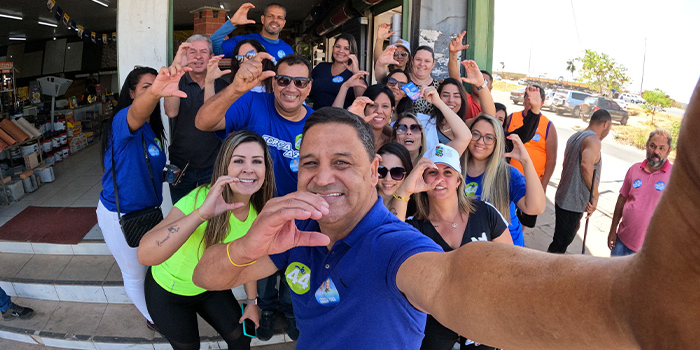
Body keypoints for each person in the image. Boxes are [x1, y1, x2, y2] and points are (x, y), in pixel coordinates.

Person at [192, 78, 700, 349]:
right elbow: (205, 275)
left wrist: (629, 305)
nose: (322, 177)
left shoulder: (393, 243)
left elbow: (457, 281)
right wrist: (249, 244)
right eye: (310, 164)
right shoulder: (295, 231)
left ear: (374, 172)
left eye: (341, 163)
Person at [195, 53, 313, 340]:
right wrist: (237, 87)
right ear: (274, 83)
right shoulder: (252, 103)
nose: (291, 88)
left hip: (297, 214)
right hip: (255, 211)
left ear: (309, 88)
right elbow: (204, 122)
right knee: (259, 270)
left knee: (294, 266)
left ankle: (291, 310)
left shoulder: (315, 123)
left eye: (300, 82)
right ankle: (265, 309)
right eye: (283, 80)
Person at [138, 131, 274, 350]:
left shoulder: (258, 213)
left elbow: (248, 259)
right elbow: (145, 254)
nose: (249, 168)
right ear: (224, 168)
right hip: (169, 291)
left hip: (210, 285)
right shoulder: (200, 199)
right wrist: (201, 214)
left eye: (256, 161)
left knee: (241, 339)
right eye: (239, 160)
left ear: (265, 171)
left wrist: (251, 302)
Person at [97, 63, 189, 331]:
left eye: (158, 85)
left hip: (149, 212)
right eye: (148, 87)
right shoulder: (123, 120)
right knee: (135, 275)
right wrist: (158, 90)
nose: (155, 91)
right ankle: (155, 319)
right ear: (133, 93)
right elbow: (137, 112)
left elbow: (142, 165)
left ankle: (159, 308)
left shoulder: (150, 126)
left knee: (152, 266)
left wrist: (164, 174)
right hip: (121, 215)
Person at [397, 144, 513, 350]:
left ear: (459, 180)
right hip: (433, 323)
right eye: (432, 172)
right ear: (422, 178)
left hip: (483, 318)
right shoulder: (413, 226)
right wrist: (406, 189)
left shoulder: (485, 213)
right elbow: (392, 243)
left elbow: (510, 267)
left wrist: (493, 316)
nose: (440, 178)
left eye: (448, 172)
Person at [164, 36, 230, 205]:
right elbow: (171, 112)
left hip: (213, 166)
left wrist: (210, 82)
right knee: (181, 219)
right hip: (181, 166)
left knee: (212, 220)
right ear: (184, 56)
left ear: (211, 56)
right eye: (192, 52)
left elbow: (210, 118)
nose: (198, 57)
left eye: (203, 52)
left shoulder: (222, 86)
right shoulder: (177, 82)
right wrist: (175, 70)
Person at [463, 114, 546, 246]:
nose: (480, 141)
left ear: (497, 143)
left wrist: (526, 161)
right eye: (475, 134)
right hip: (470, 246)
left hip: (507, 251)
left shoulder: (507, 174)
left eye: (489, 137)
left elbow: (535, 208)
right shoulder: (455, 169)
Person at [548, 109, 611, 253]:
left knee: (559, 242)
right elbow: (586, 165)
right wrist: (595, 195)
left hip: (563, 198)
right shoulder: (593, 140)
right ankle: (548, 272)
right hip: (572, 203)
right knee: (559, 246)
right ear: (606, 124)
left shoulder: (575, 136)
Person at [608, 129, 673, 256]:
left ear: (668, 151)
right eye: (652, 146)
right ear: (647, 145)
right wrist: (612, 230)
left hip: (650, 250)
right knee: (615, 276)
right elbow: (621, 200)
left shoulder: (675, 176)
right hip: (621, 241)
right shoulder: (634, 169)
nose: (656, 152)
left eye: (661, 148)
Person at [506, 85, 557, 228]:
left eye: (535, 99)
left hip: (531, 184)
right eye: (527, 98)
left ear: (542, 102)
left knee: (525, 219)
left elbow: (552, 159)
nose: (530, 102)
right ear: (523, 100)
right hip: (509, 180)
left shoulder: (548, 126)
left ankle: (518, 244)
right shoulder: (512, 118)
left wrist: (543, 185)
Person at [211, 3, 293, 63]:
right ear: (262, 19)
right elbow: (212, 49)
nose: (275, 20)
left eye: (280, 18)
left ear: (284, 23)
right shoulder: (244, 41)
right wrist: (232, 23)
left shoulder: (288, 49)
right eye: (270, 16)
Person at [447, 32, 495, 120]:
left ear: (490, 88)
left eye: (484, 81)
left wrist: (480, 84)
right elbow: (455, 78)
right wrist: (453, 53)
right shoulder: (467, 100)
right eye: (476, 79)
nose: (478, 82)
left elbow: (490, 115)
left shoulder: (492, 106)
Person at [310, 33, 365, 109]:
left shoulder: (355, 74)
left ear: (352, 52)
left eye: (346, 48)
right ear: (333, 48)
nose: (341, 51)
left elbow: (361, 99)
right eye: (338, 47)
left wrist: (356, 72)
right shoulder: (321, 67)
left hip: (342, 119)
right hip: (317, 117)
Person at [414, 85, 472, 158]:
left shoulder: (469, 124)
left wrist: (481, 85)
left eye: (456, 96)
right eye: (445, 95)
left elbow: (465, 137)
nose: (451, 100)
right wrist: (437, 102)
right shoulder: (422, 121)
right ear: (438, 96)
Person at [376, 142, 414, 216]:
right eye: (381, 170)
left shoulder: (415, 209)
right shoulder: (363, 202)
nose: (388, 179)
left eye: (397, 172)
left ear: (407, 174)